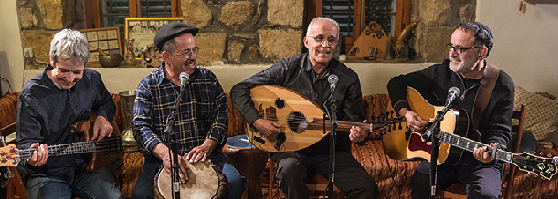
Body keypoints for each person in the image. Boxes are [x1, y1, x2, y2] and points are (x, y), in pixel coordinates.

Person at [230, 17, 378, 199]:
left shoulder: (347, 78)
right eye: (319, 38)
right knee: (288, 170)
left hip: (329, 152)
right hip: (290, 148)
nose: (325, 45)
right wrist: (257, 120)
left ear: (336, 45)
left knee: (367, 187)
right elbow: (239, 89)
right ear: (306, 42)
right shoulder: (287, 69)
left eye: (331, 40)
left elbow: (354, 122)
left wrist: (358, 136)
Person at [387, 21, 514, 198]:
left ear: (481, 52)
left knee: (485, 195)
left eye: (460, 49)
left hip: (478, 162)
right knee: (420, 184)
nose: (452, 53)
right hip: (440, 155)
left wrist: (491, 149)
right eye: (451, 46)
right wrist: (405, 112)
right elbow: (396, 83)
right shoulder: (442, 72)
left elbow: (500, 131)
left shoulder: (501, 84)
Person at [131, 21, 245, 199]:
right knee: (140, 194)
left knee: (235, 182)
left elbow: (220, 117)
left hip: (206, 156)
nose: (193, 57)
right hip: (163, 159)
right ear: (166, 57)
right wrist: (165, 154)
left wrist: (208, 145)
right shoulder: (148, 86)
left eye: (194, 50)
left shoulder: (208, 80)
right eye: (186, 53)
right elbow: (140, 127)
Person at [15, 29, 124, 199]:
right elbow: (25, 143)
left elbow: (107, 102)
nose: (70, 78)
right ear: (52, 61)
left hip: (88, 167)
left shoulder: (92, 80)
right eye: (64, 71)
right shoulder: (32, 93)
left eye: (77, 72)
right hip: (48, 174)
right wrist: (32, 156)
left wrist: (103, 117)